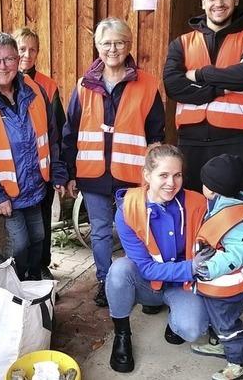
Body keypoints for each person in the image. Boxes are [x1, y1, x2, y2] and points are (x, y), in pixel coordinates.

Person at [162, 0, 243, 311]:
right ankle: (193, 276)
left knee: (237, 213)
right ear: (203, 2)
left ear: (235, 0)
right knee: (192, 211)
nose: (218, 3)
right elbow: (173, 85)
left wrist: (203, 76)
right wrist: (224, 84)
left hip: (234, 142)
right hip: (192, 142)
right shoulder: (181, 43)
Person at [62, 17, 166, 307]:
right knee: (100, 231)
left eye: (119, 42)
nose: (113, 49)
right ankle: (105, 281)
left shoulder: (146, 83)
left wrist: (155, 177)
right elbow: (70, 131)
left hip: (132, 176)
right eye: (106, 43)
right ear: (97, 47)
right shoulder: (84, 85)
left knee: (136, 230)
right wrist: (70, 172)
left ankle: (141, 281)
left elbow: (156, 133)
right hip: (93, 174)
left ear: (129, 45)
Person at [106, 143, 215, 373]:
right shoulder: (129, 208)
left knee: (193, 330)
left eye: (177, 175)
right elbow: (145, 268)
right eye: (163, 175)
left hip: (183, 286)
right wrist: (191, 267)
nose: (171, 183)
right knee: (119, 269)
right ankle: (122, 335)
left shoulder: (196, 204)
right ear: (147, 175)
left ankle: (175, 316)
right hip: (149, 284)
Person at [0, 32, 67, 281]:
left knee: (38, 238)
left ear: (18, 60)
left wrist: (57, 172)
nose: (2, 66)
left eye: (9, 59)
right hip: (6, 193)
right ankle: (17, 289)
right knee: (19, 245)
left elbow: (51, 135)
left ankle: (34, 286)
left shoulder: (34, 90)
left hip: (35, 186)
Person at [189, 154, 243, 380]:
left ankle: (236, 362)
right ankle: (220, 344)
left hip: (227, 284)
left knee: (228, 324)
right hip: (215, 284)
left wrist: (212, 268)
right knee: (217, 319)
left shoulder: (234, 217)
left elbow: (242, 250)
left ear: (212, 189)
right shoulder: (220, 204)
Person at [12, 27, 67, 281]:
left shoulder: (47, 85)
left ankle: (42, 264)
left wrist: (59, 172)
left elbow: (58, 131)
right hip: (15, 171)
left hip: (42, 168)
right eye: (22, 49)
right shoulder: (0, 83)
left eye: (32, 49)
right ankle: (19, 270)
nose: (27, 54)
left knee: (42, 222)